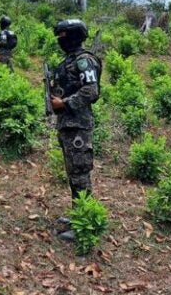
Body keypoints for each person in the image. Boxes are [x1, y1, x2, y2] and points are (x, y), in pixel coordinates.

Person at [49, 19, 102, 241]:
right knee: (73, 174)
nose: (60, 41)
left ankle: (84, 225)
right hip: (68, 125)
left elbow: (91, 90)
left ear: (73, 36)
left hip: (78, 124)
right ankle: (78, 214)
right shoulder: (69, 61)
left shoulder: (84, 61)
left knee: (80, 174)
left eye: (63, 36)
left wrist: (65, 103)